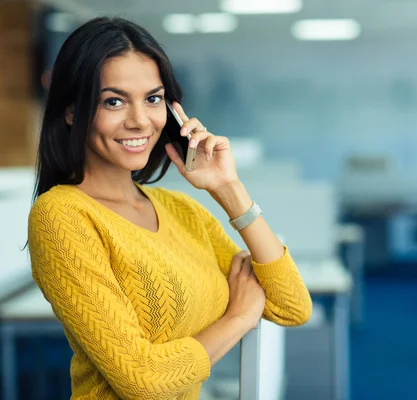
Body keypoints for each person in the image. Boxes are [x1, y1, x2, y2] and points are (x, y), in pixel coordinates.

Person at [27, 17, 312, 400]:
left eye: (153, 98)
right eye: (113, 101)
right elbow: (142, 382)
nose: (140, 121)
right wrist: (239, 318)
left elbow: (292, 305)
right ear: (71, 110)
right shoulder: (61, 216)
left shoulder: (181, 210)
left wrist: (229, 189)